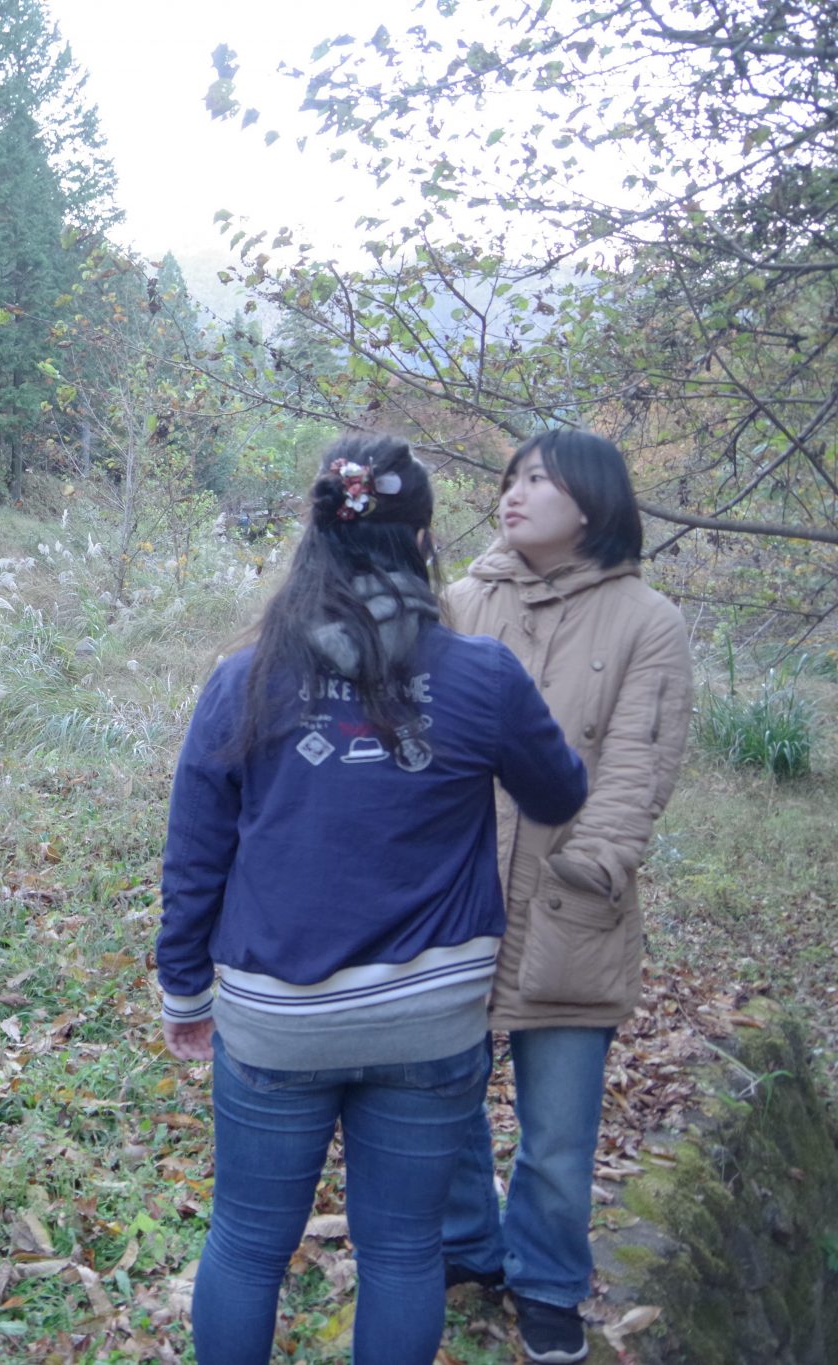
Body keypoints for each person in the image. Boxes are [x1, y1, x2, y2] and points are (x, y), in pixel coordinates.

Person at [156, 432, 589, 1365]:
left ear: (315, 538)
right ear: (424, 541)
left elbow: (195, 854)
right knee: (402, 1251)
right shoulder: (484, 675)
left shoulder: (245, 679)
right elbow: (559, 795)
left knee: (247, 1244)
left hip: (278, 1018)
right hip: (428, 1020)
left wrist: (184, 993)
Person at [440, 431, 694, 1364]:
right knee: (444, 1095)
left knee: (557, 1128)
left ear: (590, 501)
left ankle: (547, 1280)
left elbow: (638, 766)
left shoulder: (647, 620)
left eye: (538, 479)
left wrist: (590, 866)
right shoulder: (461, 601)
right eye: (511, 478)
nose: (513, 492)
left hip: (572, 903)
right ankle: (466, 1245)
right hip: (455, 892)